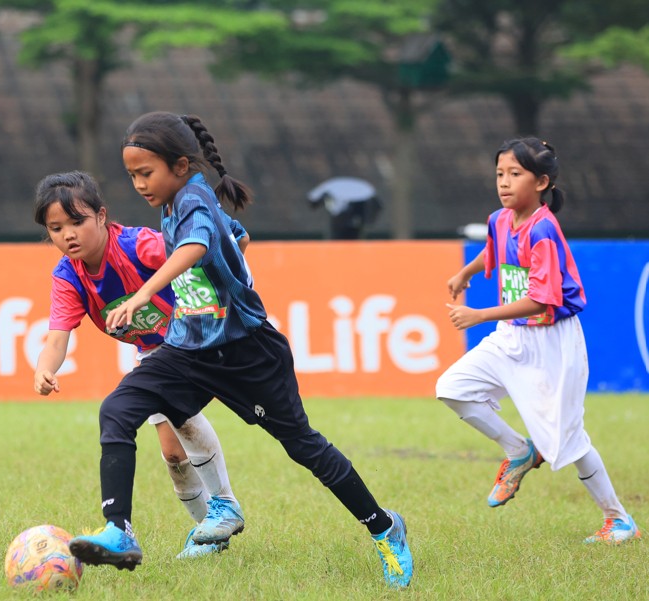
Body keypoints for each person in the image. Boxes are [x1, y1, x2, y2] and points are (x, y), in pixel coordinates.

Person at [67, 111, 413, 589]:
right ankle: (118, 530)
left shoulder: (193, 199)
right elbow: (237, 235)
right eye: (132, 175)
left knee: (303, 446)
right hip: (187, 348)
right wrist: (227, 272)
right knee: (118, 408)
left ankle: (384, 527)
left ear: (181, 166)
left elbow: (194, 246)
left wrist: (145, 293)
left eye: (146, 172)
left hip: (246, 353)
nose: (139, 184)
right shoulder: (176, 202)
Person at [32, 170, 248, 559]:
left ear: (101, 216)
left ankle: (224, 507)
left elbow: (204, 248)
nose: (68, 235)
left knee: (181, 416)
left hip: (199, 337)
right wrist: (44, 368)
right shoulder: (68, 275)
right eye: (56, 228)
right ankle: (211, 534)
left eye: (77, 222)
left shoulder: (138, 246)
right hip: (155, 353)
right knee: (173, 454)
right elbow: (57, 338)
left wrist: (231, 246)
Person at [436, 137, 640, 544]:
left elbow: (541, 300)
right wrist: (466, 272)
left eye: (515, 174)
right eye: (499, 173)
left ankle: (619, 520)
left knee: (566, 440)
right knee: (452, 388)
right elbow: (494, 250)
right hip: (511, 335)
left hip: (551, 342)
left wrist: (479, 315)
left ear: (542, 182)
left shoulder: (543, 229)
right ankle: (520, 451)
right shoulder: (500, 218)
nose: (504, 182)